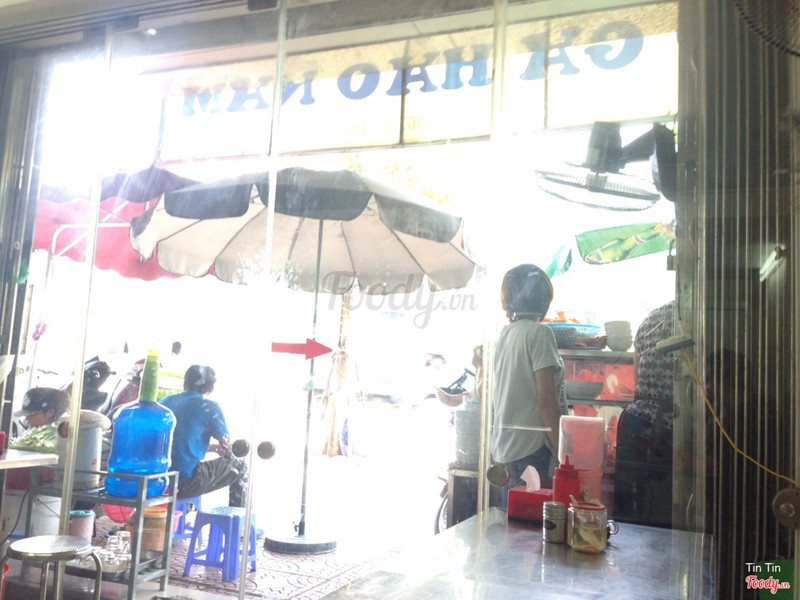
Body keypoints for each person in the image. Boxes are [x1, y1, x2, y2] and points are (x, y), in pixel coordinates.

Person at [491, 264, 568, 501]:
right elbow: (547, 402)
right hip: (531, 452)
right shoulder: (539, 334)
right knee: (531, 523)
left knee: (512, 521)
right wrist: (565, 455)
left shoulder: (504, 335)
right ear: (542, 300)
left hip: (505, 452)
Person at [613, 300, 675, 528]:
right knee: (663, 510)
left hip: (635, 421)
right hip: (672, 424)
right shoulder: (696, 318)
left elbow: (638, 379)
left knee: (629, 508)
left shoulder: (651, 318)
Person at [160, 365, 247, 507]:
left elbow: (175, 443)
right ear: (211, 389)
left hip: (158, 481)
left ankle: (186, 509)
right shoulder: (210, 407)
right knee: (240, 465)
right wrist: (228, 449)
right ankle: (239, 516)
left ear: (184, 384)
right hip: (185, 483)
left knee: (193, 466)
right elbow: (228, 448)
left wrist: (211, 448)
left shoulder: (164, 402)